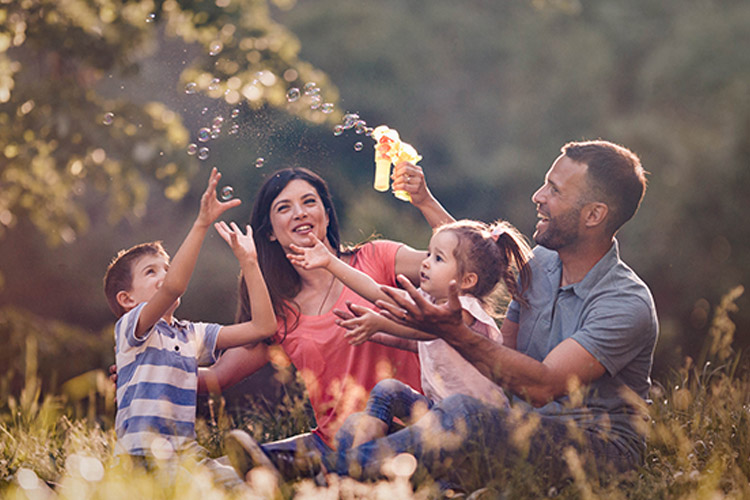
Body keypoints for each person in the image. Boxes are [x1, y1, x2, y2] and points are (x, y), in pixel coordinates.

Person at [229, 139, 659, 488]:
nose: (538, 197)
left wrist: (449, 331)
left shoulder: (625, 304)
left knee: (462, 413)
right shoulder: (544, 265)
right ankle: (327, 463)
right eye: (545, 184)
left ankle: (333, 474)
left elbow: (543, 386)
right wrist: (424, 200)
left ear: (594, 215)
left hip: (594, 449)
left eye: (555, 190)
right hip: (519, 422)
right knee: (398, 393)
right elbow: (474, 266)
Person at [207, 166, 451, 477]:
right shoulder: (277, 312)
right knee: (217, 472)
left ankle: (322, 475)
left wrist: (425, 201)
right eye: (284, 207)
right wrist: (152, 362)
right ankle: (316, 472)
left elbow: (464, 262)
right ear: (269, 231)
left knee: (268, 472)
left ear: (325, 213)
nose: (299, 213)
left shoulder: (376, 258)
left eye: (309, 202)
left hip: (407, 428)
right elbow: (218, 376)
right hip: (332, 442)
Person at [286, 218, 532, 449]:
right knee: (387, 390)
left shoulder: (465, 310)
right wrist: (331, 263)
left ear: (467, 281)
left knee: (386, 423)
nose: (425, 262)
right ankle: (363, 447)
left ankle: (356, 460)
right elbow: (379, 293)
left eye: (438, 259)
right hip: (439, 412)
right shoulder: (428, 300)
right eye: (428, 254)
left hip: (478, 425)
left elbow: (426, 331)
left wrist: (381, 323)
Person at [104, 168, 276, 470]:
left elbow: (263, 327)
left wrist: (249, 263)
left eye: (166, 267)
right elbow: (174, 287)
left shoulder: (189, 334)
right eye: (151, 271)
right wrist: (201, 224)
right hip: (141, 458)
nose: (165, 276)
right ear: (126, 299)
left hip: (185, 457)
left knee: (239, 485)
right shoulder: (131, 327)